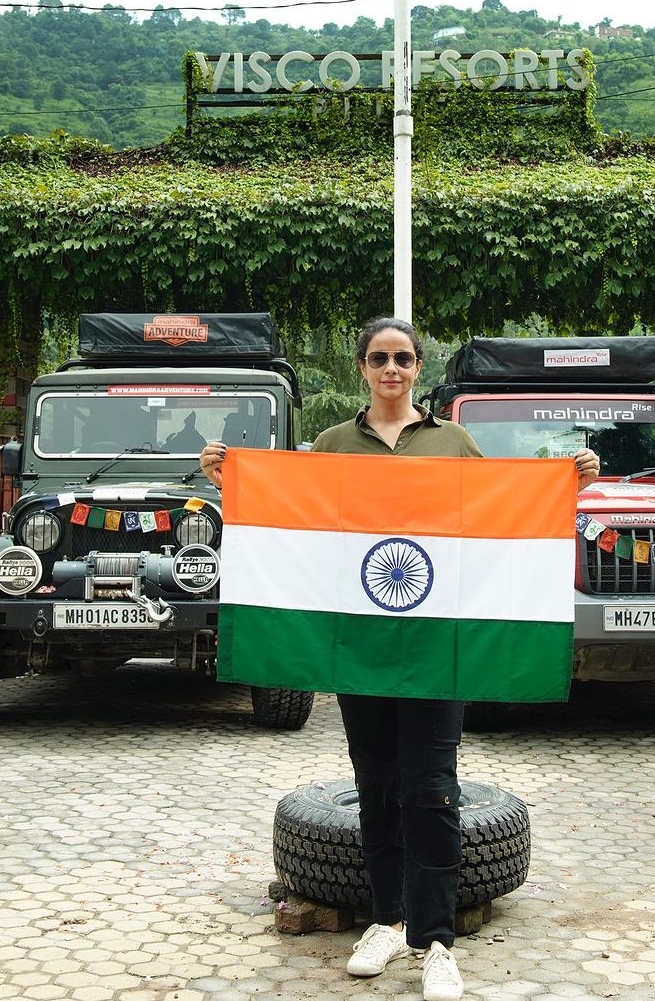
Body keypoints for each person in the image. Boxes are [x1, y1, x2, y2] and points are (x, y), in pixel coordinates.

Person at [200, 317, 599, 1001]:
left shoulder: (453, 442)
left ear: (418, 368)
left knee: (431, 789)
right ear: (363, 366)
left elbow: (498, 520)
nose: (392, 368)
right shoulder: (332, 444)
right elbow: (298, 526)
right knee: (377, 786)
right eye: (380, 357)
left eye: (404, 358)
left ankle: (436, 941)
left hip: (436, 651)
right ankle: (385, 920)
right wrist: (230, 480)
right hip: (362, 650)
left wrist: (567, 486)